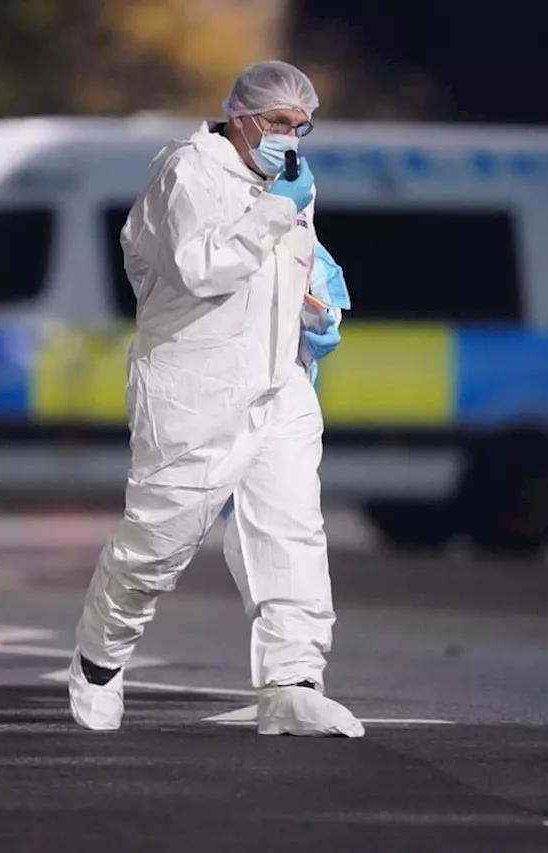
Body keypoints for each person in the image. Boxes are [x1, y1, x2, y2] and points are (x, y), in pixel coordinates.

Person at [69, 60, 363, 737]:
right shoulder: (188, 172)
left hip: (276, 381)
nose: (292, 138)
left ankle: (292, 681)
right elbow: (204, 268)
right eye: (279, 124)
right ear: (240, 117)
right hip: (195, 387)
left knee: (290, 531)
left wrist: (319, 310)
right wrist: (278, 209)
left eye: (301, 126)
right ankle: (98, 660)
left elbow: (299, 262)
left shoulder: (287, 185)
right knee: (158, 542)